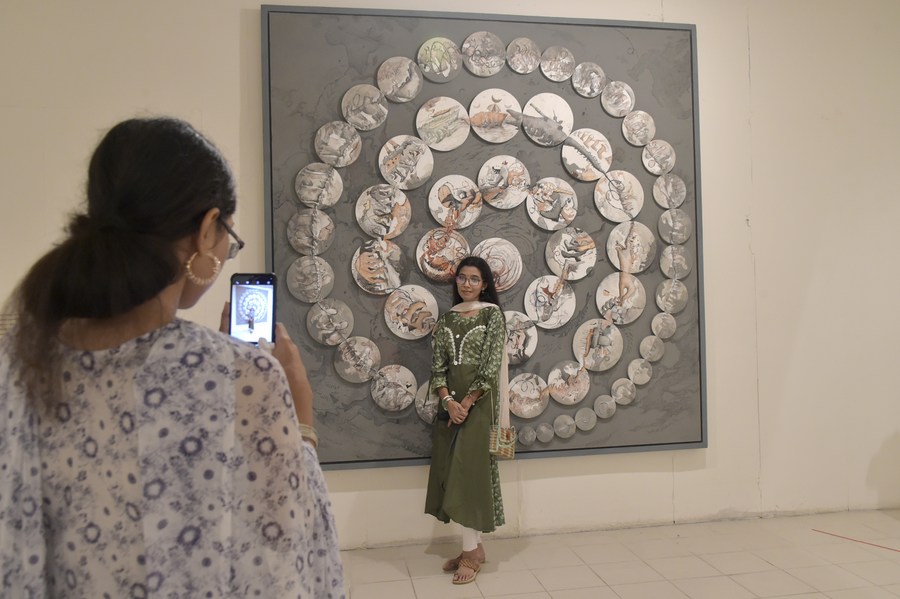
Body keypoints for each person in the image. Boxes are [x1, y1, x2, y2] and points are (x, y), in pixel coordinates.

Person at [0, 117, 345, 598]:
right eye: (227, 236)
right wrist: (300, 419)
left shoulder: (17, 360)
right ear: (206, 229)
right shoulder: (243, 376)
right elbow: (292, 555)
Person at [424, 256, 507, 585]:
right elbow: (438, 369)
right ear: (455, 281)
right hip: (451, 407)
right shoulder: (447, 319)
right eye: (462, 278)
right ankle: (475, 548)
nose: (467, 284)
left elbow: (489, 367)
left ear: (484, 284)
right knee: (453, 474)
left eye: (474, 279)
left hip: (480, 407)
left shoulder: (492, 315)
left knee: (468, 476)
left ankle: (470, 553)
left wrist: (467, 403)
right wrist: (449, 402)